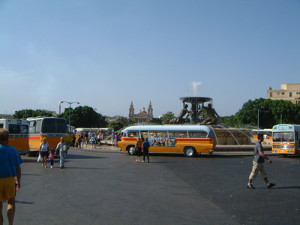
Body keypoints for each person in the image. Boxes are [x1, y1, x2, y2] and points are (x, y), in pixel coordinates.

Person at [0, 128, 22, 225]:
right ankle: (10, 223)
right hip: (9, 180)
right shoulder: (14, 151)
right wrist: (18, 182)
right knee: (11, 203)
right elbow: (18, 168)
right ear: (8, 138)